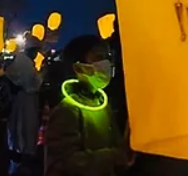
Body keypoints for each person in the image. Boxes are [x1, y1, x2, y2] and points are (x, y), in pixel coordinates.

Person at [45, 35, 131, 176]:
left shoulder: (102, 104)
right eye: (98, 57)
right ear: (79, 67)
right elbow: (63, 162)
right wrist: (113, 157)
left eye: (107, 57)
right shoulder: (67, 110)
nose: (106, 63)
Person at [5, 36, 43, 173]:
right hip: (25, 98)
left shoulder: (23, 61)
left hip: (24, 98)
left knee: (22, 124)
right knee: (25, 124)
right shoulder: (24, 62)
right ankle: (24, 152)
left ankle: (21, 150)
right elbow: (30, 83)